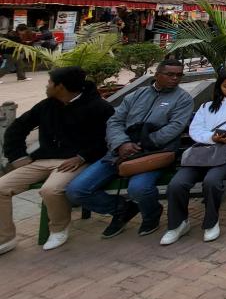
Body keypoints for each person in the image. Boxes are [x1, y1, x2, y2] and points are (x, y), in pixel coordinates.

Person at [66, 59, 193, 238]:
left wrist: (143, 144)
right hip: (119, 153)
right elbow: (115, 121)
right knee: (76, 191)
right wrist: (121, 143)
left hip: (153, 154)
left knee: (139, 189)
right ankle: (122, 209)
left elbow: (175, 127)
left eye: (179, 75)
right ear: (157, 75)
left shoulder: (182, 98)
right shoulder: (137, 95)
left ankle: (151, 214)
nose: (175, 78)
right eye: (170, 74)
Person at [0, 67, 113, 254]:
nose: (47, 85)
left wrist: (82, 156)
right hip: (42, 159)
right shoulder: (47, 105)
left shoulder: (99, 107)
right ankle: (5, 238)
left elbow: (106, 139)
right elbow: (17, 128)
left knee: (50, 190)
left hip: (75, 161)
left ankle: (59, 230)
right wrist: (18, 156)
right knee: (1, 187)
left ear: (60, 86)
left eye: (50, 82)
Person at [161, 69, 226, 245]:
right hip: (201, 153)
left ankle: (211, 222)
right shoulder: (207, 107)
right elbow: (195, 129)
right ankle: (177, 224)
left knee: (211, 182)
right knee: (176, 184)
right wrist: (212, 138)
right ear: (219, 86)